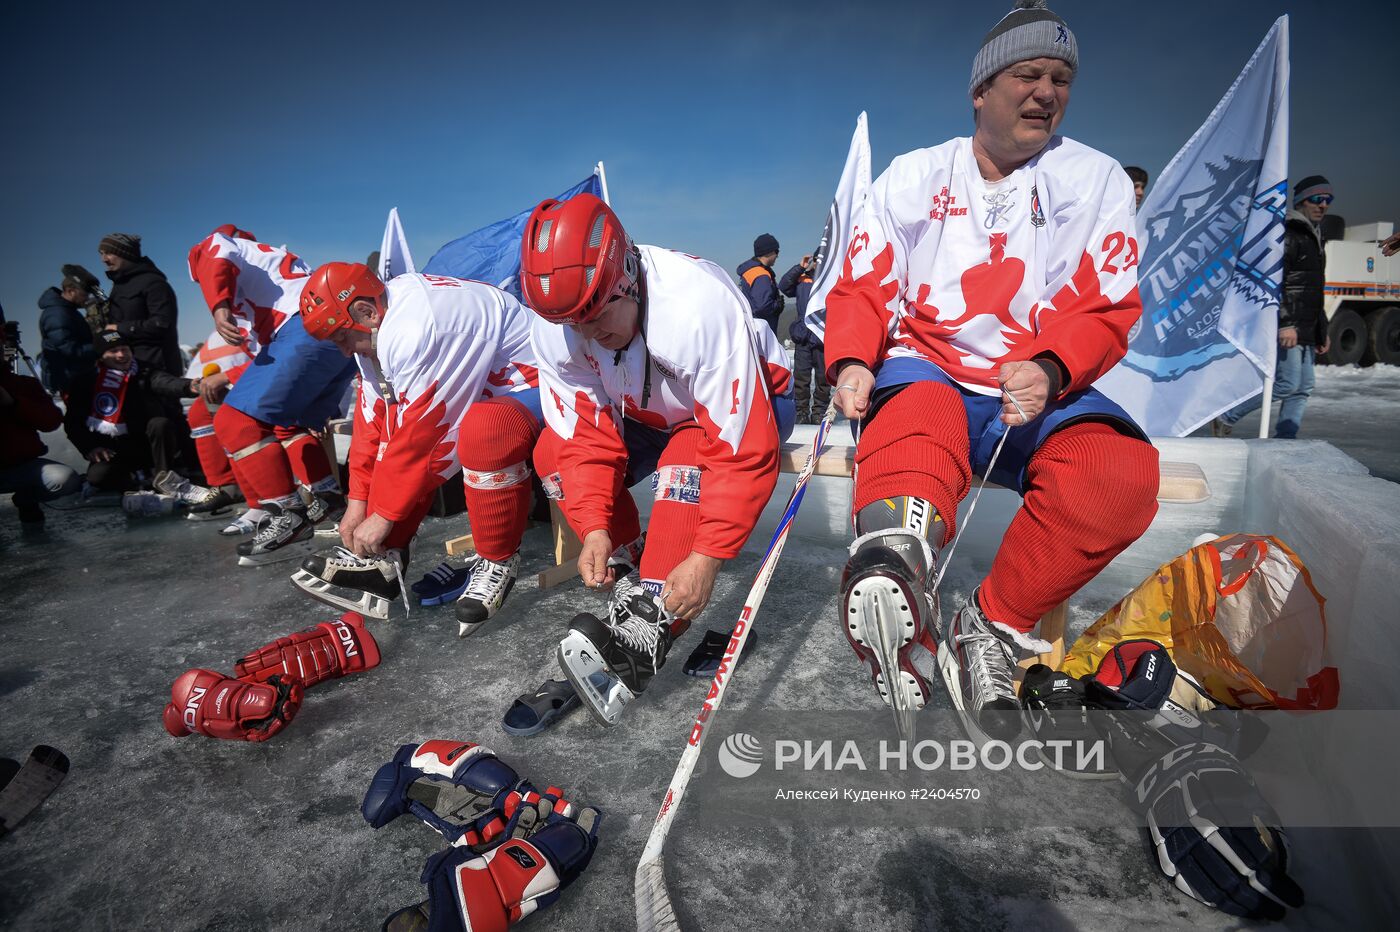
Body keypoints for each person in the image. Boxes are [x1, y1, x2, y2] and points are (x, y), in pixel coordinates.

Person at [825, 0, 1160, 745]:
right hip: (931, 369)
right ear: (982, 90)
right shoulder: (916, 176)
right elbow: (863, 283)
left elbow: (1108, 303)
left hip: (1036, 386)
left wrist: (1050, 364)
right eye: (1029, 74)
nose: (1047, 91)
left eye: (1062, 78)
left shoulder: (1096, 179)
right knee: (916, 420)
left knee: (1117, 474)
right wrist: (851, 356)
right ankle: (896, 570)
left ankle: (990, 623)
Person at [518, 193, 794, 727]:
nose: (585, 334)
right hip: (645, 407)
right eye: (572, 323)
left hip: (754, 401)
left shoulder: (694, 306)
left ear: (625, 277)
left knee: (689, 447)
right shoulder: (559, 324)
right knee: (551, 452)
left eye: (595, 315)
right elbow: (583, 435)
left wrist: (709, 557)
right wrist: (595, 526)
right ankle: (631, 570)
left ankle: (655, 618)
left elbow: (738, 447)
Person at [290, 262, 545, 625]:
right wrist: (358, 501)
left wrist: (383, 516)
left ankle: (498, 559)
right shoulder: (379, 323)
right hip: (494, 389)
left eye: (342, 339)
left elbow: (427, 436)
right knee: (404, 444)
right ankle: (386, 561)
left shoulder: (419, 326)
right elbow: (375, 415)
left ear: (364, 311)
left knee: (482, 430)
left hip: (544, 384)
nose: (345, 352)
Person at [189, 227, 357, 561]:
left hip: (306, 326)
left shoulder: (220, 246)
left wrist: (219, 305)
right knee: (287, 423)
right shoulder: (269, 267)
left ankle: (288, 517)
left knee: (235, 423)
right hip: (333, 335)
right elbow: (262, 355)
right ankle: (328, 499)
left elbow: (215, 252)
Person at [1213, 176, 1332, 439]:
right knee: (1287, 383)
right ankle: (1227, 416)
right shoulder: (1290, 233)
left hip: (1308, 325)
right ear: (1301, 201)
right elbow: (1278, 281)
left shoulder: (1315, 236)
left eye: (1327, 200)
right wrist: (1286, 323)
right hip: (1290, 324)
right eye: (1316, 199)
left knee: (1304, 386)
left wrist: (1322, 330)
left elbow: (1313, 290)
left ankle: (1286, 439)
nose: (1323, 205)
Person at [63, 329, 200, 493]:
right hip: (114, 448)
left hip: (149, 445)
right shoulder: (85, 382)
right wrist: (90, 448)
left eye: (125, 349)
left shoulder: (145, 371)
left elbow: (165, 382)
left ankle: (164, 477)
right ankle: (134, 482)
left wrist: (189, 386)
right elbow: (73, 424)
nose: (121, 355)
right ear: (101, 356)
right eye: (113, 351)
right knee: (98, 477)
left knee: (160, 423)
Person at [1, 346, 82, 527]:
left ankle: (27, 498)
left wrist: (14, 403)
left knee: (65, 479)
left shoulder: (22, 384)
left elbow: (51, 421)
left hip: (19, 467)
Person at [99, 233, 183, 376]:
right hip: (129, 369)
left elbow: (162, 324)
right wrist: (102, 340)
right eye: (101, 254)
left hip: (156, 370)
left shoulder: (154, 283)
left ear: (125, 253)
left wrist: (120, 328)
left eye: (108, 253)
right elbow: (116, 332)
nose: (104, 259)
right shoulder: (119, 286)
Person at [779, 251, 829, 423]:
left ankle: (819, 412)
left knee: (823, 378)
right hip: (803, 336)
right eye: (817, 260)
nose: (818, 263)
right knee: (802, 377)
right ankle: (801, 412)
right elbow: (784, 285)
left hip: (823, 336)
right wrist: (800, 267)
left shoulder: (830, 279)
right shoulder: (802, 279)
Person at [37, 276, 96, 397]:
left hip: (74, 377)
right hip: (67, 381)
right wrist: (99, 347)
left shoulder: (67, 311)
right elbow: (70, 349)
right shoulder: (58, 315)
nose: (87, 298)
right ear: (70, 291)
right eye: (84, 294)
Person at [736, 233, 784, 334]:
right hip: (761, 331)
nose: (777, 255)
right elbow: (762, 308)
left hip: (751, 328)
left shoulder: (750, 271)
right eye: (776, 251)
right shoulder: (761, 275)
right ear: (768, 252)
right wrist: (777, 306)